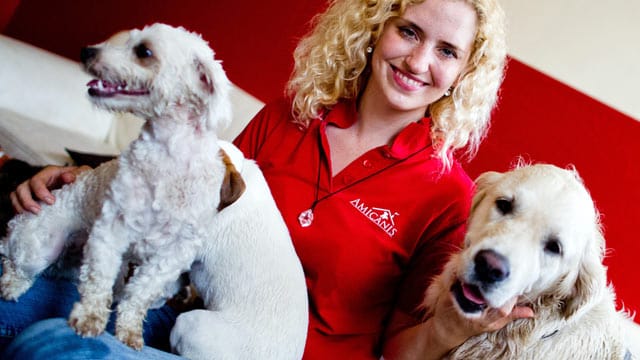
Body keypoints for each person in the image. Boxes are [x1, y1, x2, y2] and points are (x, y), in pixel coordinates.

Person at [2, 0, 534, 358]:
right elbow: (182, 198)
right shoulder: (289, 115)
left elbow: (396, 348)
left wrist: (454, 329)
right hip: (184, 313)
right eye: (409, 31)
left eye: (447, 51)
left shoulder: (449, 197)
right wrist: (81, 185)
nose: (419, 60)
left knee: (57, 346)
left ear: (465, 73)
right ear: (376, 29)